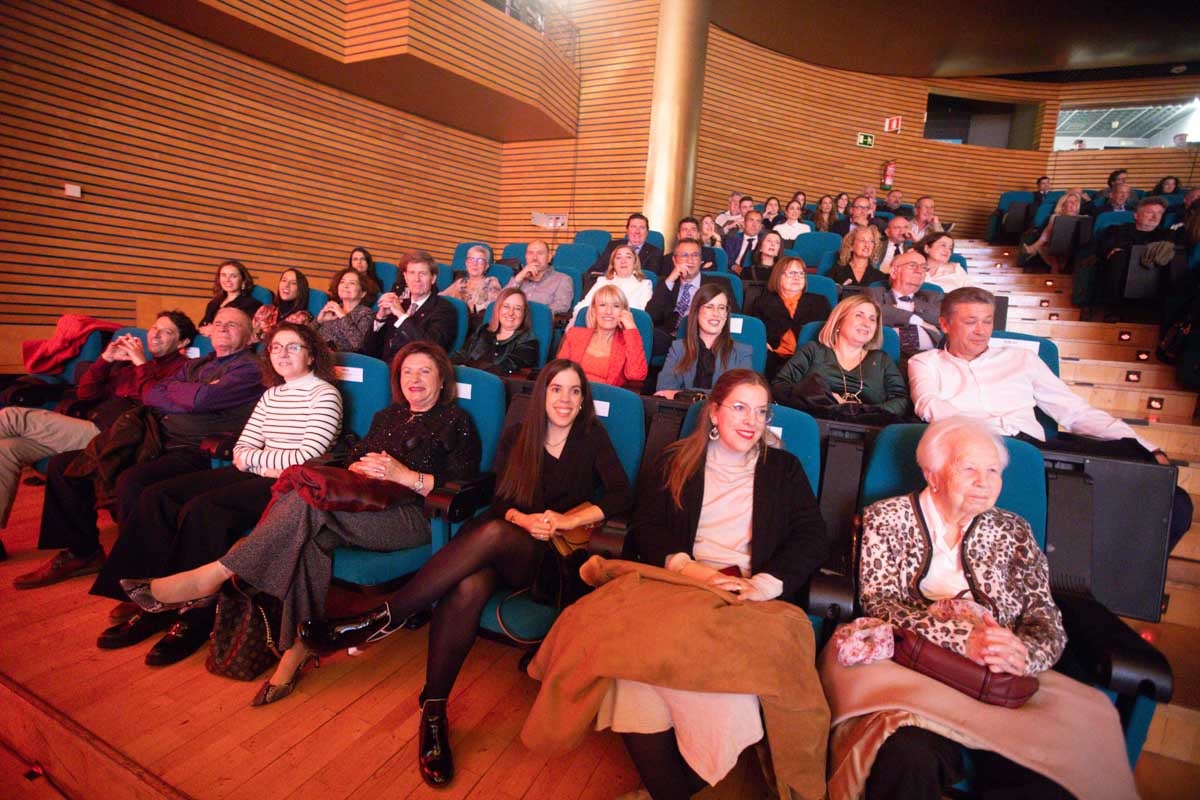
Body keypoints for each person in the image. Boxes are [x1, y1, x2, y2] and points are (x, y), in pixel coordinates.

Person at [298, 359, 633, 787]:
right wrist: (524, 520)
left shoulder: (592, 438)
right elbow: (500, 502)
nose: (564, 400)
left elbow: (623, 496)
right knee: (469, 584)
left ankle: (385, 618)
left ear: (583, 400)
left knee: (491, 533)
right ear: (542, 395)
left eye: (574, 391)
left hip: (550, 562)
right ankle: (434, 711)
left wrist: (565, 521)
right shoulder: (520, 436)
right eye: (556, 389)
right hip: (509, 541)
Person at [128, 341, 481, 706]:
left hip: (414, 517)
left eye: (425, 371)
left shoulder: (456, 421)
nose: (415, 378)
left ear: (442, 380)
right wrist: (357, 467)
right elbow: (355, 458)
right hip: (364, 504)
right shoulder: (387, 416)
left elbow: (462, 486)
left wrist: (406, 475)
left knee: (307, 503)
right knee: (309, 540)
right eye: (407, 371)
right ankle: (297, 649)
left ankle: (215, 574)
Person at [819, 418, 1138, 800]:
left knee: (1047, 779)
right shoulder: (886, 519)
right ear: (932, 473)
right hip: (912, 669)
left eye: (992, 471)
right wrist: (963, 639)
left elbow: (1043, 614)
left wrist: (1023, 654)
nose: (984, 482)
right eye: (969, 468)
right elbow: (880, 603)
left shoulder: (1013, 531)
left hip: (1003, 679)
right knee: (906, 758)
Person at [601, 369, 831, 799]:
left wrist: (765, 583)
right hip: (681, 582)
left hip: (744, 592)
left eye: (761, 412)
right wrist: (687, 567)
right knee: (631, 674)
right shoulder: (676, 460)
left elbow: (811, 535)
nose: (751, 421)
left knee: (732, 695)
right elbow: (647, 526)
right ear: (713, 413)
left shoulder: (782, 468)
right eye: (740, 408)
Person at [91, 323, 343, 663]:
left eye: (293, 347)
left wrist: (255, 460)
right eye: (276, 347)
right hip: (256, 472)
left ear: (311, 354)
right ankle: (148, 600)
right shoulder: (271, 394)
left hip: (290, 485)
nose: (283, 354)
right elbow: (242, 447)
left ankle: (192, 618)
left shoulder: (324, 393)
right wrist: (256, 460)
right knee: (158, 496)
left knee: (203, 511)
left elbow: (305, 457)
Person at [909, 286, 1191, 550]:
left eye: (987, 321)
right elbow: (928, 404)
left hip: (1034, 449)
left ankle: (1126, 585)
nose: (981, 331)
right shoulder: (925, 362)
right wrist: (982, 435)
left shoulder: (1021, 359)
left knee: (1171, 497)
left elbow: (1074, 411)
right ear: (945, 324)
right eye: (971, 321)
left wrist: (1145, 445)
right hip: (972, 455)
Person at [15, 307, 264, 590]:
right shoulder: (199, 363)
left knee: (132, 481)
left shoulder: (250, 367)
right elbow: (152, 394)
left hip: (192, 448)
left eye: (232, 325)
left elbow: (200, 399)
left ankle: (140, 580)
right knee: (64, 466)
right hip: (154, 437)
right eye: (218, 323)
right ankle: (83, 553)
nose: (221, 328)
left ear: (250, 336)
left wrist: (182, 392)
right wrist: (184, 392)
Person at [0, 312, 194, 544]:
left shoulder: (184, 369)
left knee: (10, 416)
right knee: (7, 449)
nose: (156, 334)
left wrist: (141, 363)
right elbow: (86, 393)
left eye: (167, 332)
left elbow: (155, 401)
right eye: (154, 327)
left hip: (119, 437)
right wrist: (106, 359)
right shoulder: (132, 364)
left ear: (182, 343)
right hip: (93, 424)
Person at [772, 295, 910, 420]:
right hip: (815, 423)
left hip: (868, 429)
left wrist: (863, 411)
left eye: (872, 319)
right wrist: (826, 398)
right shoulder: (813, 350)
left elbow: (900, 401)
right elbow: (780, 386)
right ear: (839, 321)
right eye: (859, 315)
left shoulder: (882, 360)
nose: (866, 323)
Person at [645, 239, 740, 357]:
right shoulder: (667, 282)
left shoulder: (720, 283)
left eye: (695, 255)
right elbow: (651, 316)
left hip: (703, 338)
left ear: (701, 260)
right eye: (684, 255)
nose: (690, 260)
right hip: (670, 337)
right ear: (674, 260)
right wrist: (670, 280)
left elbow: (734, 316)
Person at [655, 284, 752, 398]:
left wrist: (682, 394)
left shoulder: (742, 352)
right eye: (709, 307)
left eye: (721, 308)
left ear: (726, 315)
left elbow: (741, 396)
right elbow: (663, 392)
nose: (716, 313)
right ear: (696, 312)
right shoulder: (678, 348)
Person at [364, 253, 457, 364]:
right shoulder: (400, 304)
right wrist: (380, 318)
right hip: (385, 368)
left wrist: (402, 316)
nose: (416, 279)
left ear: (433, 278)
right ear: (406, 277)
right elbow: (369, 350)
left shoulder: (444, 308)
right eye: (412, 273)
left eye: (422, 273)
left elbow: (431, 348)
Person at [752, 255, 831, 378]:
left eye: (801, 274)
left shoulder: (820, 302)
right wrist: (762, 342)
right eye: (791, 273)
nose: (797, 277)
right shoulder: (762, 302)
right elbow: (754, 332)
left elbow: (831, 331)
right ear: (778, 276)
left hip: (810, 362)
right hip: (773, 361)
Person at [557, 285, 648, 390]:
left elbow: (636, 375)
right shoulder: (574, 334)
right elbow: (559, 372)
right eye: (603, 305)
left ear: (624, 312)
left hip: (606, 400)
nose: (608, 311)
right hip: (572, 395)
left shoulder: (628, 343)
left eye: (616, 306)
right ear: (594, 311)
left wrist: (631, 329)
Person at [1093, 196, 1176, 305]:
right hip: (1121, 276)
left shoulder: (1167, 235)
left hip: (1153, 279)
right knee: (1118, 256)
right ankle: (1114, 307)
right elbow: (1103, 249)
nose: (1155, 217)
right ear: (1136, 215)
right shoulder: (1117, 230)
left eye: (1159, 213)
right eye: (1150, 212)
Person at [865, 249, 943, 362]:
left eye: (923, 267)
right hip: (886, 360)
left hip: (930, 360)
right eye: (912, 265)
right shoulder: (875, 293)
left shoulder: (932, 297)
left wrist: (907, 310)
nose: (919, 271)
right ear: (894, 272)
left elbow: (942, 319)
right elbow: (873, 312)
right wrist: (917, 320)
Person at [451, 287, 539, 375]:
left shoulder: (528, 341)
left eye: (517, 308)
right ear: (498, 309)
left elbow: (505, 368)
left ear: (524, 314)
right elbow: (461, 354)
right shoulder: (483, 330)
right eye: (506, 306)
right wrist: (457, 366)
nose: (510, 313)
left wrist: (470, 373)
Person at [573, 244, 654, 314]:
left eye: (628, 257)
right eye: (618, 258)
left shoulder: (644, 284)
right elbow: (583, 306)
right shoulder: (602, 281)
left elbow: (642, 315)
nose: (623, 261)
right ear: (613, 264)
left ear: (635, 263)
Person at [1020, 191, 1084, 274]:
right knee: (1055, 219)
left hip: (1073, 246)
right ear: (1063, 206)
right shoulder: (1055, 217)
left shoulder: (1082, 219)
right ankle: (1053, 262)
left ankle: (1035, 247)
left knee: (1054, 223)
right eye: (1070, 202)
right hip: (1056, 244)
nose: (1074, 205)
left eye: (1076, 202)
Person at [505, 240, 574, 315]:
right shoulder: (519, 278)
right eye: (530, 253)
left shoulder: (562, 280)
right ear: (526, 257)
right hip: (511, 321)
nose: (534, 258)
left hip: (539, 323)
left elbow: (561, 307)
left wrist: (527, 315)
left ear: (549, 257)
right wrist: (518, 278)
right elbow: (500, 302)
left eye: (540, 253)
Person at [316, 267, 377, 352]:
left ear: (363, 293)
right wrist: (318, 321)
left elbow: (359, 345)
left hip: (343, 361)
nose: (345, 286)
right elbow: (305, 338)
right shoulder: (332, 309)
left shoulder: (365, 313)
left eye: (352, 283)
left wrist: (342, 316)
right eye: (342, 282)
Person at [440, 244, 502, 326]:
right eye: (471, 259)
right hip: (453, 322)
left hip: (475, 325)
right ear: (466, 263)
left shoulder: (490, 281)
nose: (475, 264)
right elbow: (441, 296)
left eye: (480, 260)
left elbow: (494, 305)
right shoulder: (461, 282)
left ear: (486, 266)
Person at [196, 260, 261, 334]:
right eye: (223, 275)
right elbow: (201, 327)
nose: (227, 280)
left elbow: (244, 331)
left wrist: (212, 330)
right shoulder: (213, 304)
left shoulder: (252, 304)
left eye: (233, 276)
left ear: (243, 281)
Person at [591, 213, 663, 276]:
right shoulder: (613, 246)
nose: (637, 231)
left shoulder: (655, 252)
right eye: (633, 227)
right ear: (627, 230)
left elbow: (649, 277)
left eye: (642, 228)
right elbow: (596, 270)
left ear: (647, 232)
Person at [252, 268, 313, 341]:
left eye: (293, 283)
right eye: (284, 280)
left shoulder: (302, 317)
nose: (286, 285)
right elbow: (250, 336)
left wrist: (261, 335)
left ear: (300, 290)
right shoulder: (265, 310)